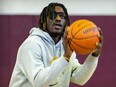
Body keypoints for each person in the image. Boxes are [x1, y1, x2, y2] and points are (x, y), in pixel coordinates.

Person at [9, 2, 103, 87]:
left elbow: (79, 78)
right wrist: (65, 58)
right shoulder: (31, 45)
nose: (58, 19)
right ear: (43, 21)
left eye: (62, 16)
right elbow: (39, 82)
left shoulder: (66, 45)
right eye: (52, 16)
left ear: (66, 22)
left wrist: (94, 56)